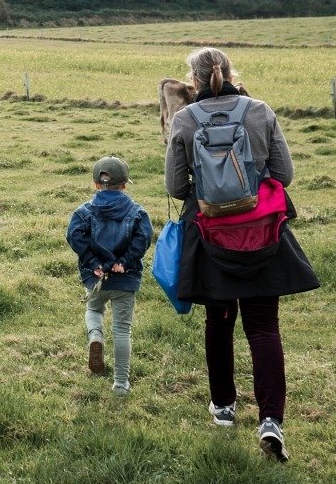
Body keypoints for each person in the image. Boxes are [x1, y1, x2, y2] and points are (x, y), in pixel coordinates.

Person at [164, 48, 317, 461]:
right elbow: (284, 175)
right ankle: (270, 420)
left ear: (192, 81)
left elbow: (177, 187)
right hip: (262, 232)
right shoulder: (260, 110)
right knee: (264, 326)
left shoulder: (183, 119)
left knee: (219, 320)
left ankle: (225, 407)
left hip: (211, 235)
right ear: (231, 73)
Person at [66, 156, 153, 394]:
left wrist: (93, 263)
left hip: (96, 278)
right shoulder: (137, 212)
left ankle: (96, 336)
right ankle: (121, 384)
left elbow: (73, 235)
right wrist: (125, 262)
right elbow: (144, 238)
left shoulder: (84, 212)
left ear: (95, 184)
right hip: (125, 279)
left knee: (94, 310)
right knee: (122, 330)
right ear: (124, 184)